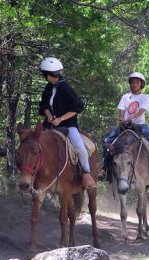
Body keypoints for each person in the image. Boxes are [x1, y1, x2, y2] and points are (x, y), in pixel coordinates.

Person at [38, 57, 96, 190]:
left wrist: (60, 119)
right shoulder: (48, 87)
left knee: (80, 147)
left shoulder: (65, 88)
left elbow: (77, 107)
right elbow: (44, 105)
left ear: (47, 75)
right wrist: (49, 115)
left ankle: (86, 173)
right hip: (50, 125)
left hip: (68, 125)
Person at [102, 72, 149, 179]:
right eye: (132, 82)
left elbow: (141, 111)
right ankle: (105, 167)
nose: (134, 84)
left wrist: (130, 118)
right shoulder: (125, 97)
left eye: (137, 82)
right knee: (107, 141)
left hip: (139, 125)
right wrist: (121, 118)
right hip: (125, 126)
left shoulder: (144, 97)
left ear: (141, 84)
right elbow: (122, 111)